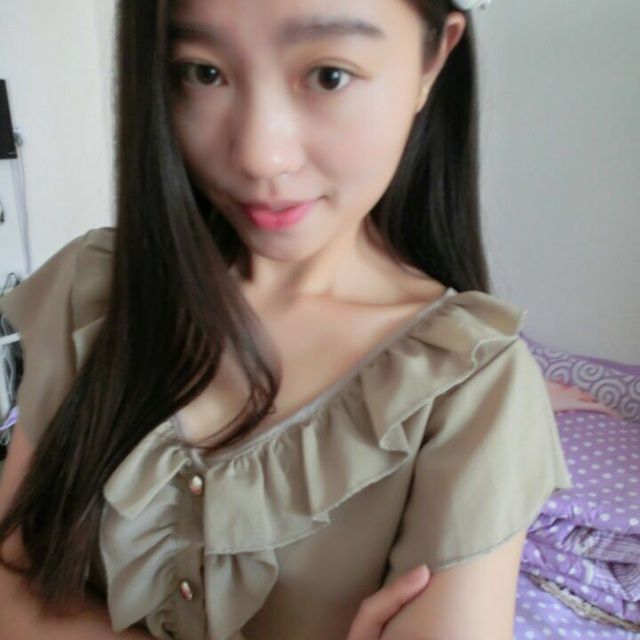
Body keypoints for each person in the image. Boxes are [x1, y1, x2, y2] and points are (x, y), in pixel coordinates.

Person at [0, 0, 573, 638]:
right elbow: (7, 582)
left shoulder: (471, 388)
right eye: (203, 73)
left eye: (330, 75)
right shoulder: (91, 294)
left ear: (432, 60)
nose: (259, 156)